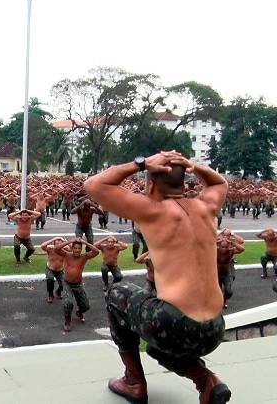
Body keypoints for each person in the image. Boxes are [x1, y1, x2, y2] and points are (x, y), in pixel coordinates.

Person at [84, 151, 231, 404]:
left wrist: (139, 163)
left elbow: (93, 185)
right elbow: (220, 183)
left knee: (118, 293)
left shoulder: (151, 209)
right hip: (215, 329)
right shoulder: (206, 206)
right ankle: (206, 380)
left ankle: (133, 382)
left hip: (175, 325)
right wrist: (193, 166)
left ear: (150, 184)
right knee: (157, 345)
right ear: (184, 184)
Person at [59, 237, 100, 332]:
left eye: (79, 248)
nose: (77, 250)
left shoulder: (84, 256)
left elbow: (96, 251)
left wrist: (84, 242)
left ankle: (79, 312)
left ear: (81, 249)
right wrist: (70, 241)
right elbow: (56, 248)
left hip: (78, 284)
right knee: (68, 303)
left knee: (86, 306)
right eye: (75, 248)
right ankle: (67, 320)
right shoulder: (66, 255)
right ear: (72, 248)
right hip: (67, 284)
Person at [216, 235, 244, 308]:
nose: (224, 249)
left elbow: (242, 249)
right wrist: (217, 241)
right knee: (217, 290)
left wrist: (233, 242)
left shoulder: (231, 251)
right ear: (219, 245)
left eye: (225, 247)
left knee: (229, 291)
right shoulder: (215, 250)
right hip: (216, 274)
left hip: (225, 274)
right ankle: (219, 302)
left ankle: (224, 300)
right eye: (222, 247)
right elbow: (206, 245)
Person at [41, 237, 67, 303]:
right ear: (54, 244)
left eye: (60, 245)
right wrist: (54, 238)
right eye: (57, 245)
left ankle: (58, 292)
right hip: (50, 269)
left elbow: (73, 249)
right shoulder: (50, 249)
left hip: (60, 270)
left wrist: (66, 241)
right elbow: (42, 246)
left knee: (63, 284)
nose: (58, 247)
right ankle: (50, 295)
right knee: (50, 279)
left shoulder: (65, 249)